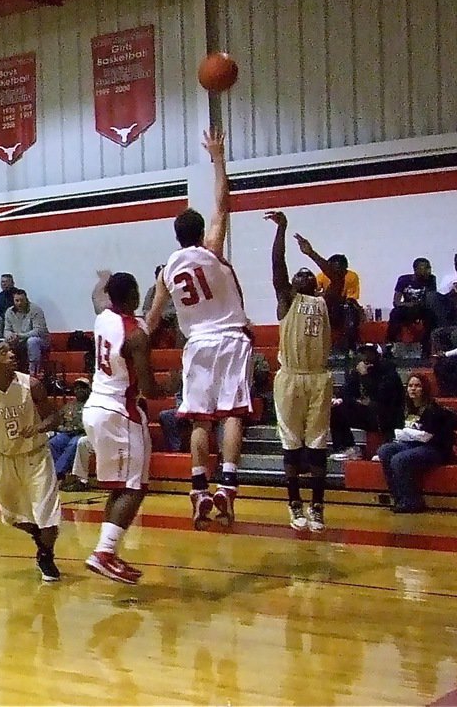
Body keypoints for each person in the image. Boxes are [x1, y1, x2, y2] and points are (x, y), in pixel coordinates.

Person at [146, 128, 250, 530]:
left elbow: (152, 322)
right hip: (229, 339)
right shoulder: (211, 250)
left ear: (176, 237)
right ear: (200, 231)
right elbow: (223, 202)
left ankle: (197, 488)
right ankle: (227, 483)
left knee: (200, 418)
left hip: (197, 345)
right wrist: (217, 158)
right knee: (233, 413)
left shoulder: (167, 270)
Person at [265, 210, 345, 533]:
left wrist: (311, 254)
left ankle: (318, 507)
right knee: (292, 448)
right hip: (290, 377)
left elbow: (338, 276)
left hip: (319, 378)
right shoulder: (286, 299)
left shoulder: (328, 302)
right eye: (297, 275)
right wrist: (281, 230)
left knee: (317, 448)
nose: (301, 277)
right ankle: (294, 504)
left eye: (306, 275)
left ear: (314, 281)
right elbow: (277, 266)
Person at [0, 340, 62, 582]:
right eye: (3, 351)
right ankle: (39, 537)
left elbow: (55, 417)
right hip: (5, 458)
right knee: (12, 517)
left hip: (35, 456)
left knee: (48, 515)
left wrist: (39, 427)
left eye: (11, 349)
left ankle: (45, 556)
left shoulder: (31, 384)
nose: (11, 353)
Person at [82, 272, 157, 584]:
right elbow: (149, 389)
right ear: (134, 295)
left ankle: (105, 551)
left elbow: (98, 296)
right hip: (119, 412)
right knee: (134, 487)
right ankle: (104, 553)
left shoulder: (103, 316)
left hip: (95, 407)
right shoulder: (136, 335)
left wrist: (104, 279)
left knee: (121, 486)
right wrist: (171, 382)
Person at [376, 373, 457, 513]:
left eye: (417, 386)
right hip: (413, 444)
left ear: (424, 389)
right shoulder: (405, 408)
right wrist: (406, 434)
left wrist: (407, 434)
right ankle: (398, 497)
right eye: (410, 386)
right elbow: (397, 431)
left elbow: (427, 437)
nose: (413, 389)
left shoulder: (434, 410)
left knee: (399, 459)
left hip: (435, 448)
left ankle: (412, 501)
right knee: (384, 450)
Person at [331, 344, 405, 459]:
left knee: (375, 407)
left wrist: (365, 376)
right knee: (337, 409)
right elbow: (346, 392)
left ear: (378, 355)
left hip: (387, 416)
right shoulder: (359, 370)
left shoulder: (389, 372)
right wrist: (340, 400)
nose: (366, 356)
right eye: (364, 353)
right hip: (369, 414)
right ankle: (347, 447)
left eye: (369, 353)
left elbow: (380, 396)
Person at [386, 257, 440, 356]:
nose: (429, 271)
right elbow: (396, 302)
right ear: (416, 269)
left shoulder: (431, 279)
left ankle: (427, 346)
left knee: (431, 315)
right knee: (394, 313)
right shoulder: (404, 280)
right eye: (426, 268)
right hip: (407, 308)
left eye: (429, 268)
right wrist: (408, 304)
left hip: (422, 308)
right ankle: (390, 344)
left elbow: (430, 299)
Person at [49, 378, 90, 484]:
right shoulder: (70, 405)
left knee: (73, 444)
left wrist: (73, 428)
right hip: (66, 433)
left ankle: (58, 475)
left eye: (82, 388)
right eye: (76, 388)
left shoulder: (92, 404)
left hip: (83, 434)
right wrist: (60, 427)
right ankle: (59, 473)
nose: (79, 390)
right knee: (53, 443)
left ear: (88, 389)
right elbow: (59, 419)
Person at [317, 254, 361, 348]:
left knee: (350, 310)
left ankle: (351, 346)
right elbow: (314, 293)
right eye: (334, 269)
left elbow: (351, 298)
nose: (337, 273)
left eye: (340, 269)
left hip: (342, 308)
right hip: (326, 307)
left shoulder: (352, 276)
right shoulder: (322, 276)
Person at [3, 289, 51, 377]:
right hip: (18, 340)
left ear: (26, 299)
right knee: (2, 343)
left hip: (40, 340)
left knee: (32, 341)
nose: (19, 303)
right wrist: (9, 336)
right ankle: (7, 372)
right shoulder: (9, 312)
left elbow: (38, 331)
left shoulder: (36, 310)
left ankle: (34, 372)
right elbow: (6, 330)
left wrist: (20, 335)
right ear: (13, 301)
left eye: (22, 300)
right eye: (17, 301)